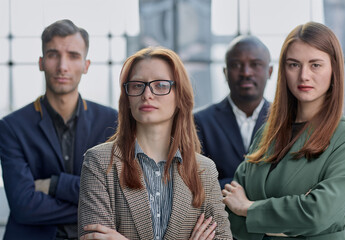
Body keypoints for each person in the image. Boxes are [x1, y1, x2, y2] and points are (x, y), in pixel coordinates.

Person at [223, 22, 345, 240]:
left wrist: (249, 209)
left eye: (315, 65)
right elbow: (229, 211)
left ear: (334, 69)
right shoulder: (267, 133)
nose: (304, 75)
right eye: (294, 65)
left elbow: (317, 214)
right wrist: (291, 219)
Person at [78, 47, 232, 240]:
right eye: (136, 85)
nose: (147, 94)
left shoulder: (205, 170)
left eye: (160, 85)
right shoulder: (99, 162)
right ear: (127, 98)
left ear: (179, 95)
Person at [0, 19, 118, 240]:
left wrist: (54, 185)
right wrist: (94, 207)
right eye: (53, 54)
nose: (62, 66)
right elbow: (23, 205)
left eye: (73, 56)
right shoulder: (11, 127)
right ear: (41, 62)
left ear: (86, 65)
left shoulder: (111, 121)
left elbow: (117, 194)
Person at [194, 35, 273, 189]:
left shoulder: (287, 119)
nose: (246, 72)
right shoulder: (199, 121)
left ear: (269, 71)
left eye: (255, 64)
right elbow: (195, 182)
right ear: (225, 72)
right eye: (236, 65)